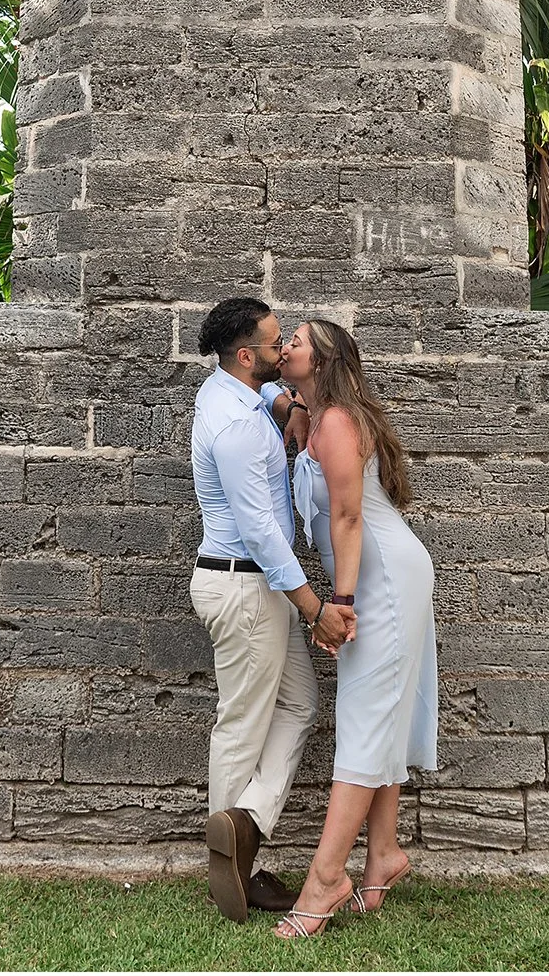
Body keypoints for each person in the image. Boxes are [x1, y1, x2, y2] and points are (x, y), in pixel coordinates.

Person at [190, 296, 357, 923]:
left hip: (259, 588)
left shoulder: (234, 394)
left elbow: (262, 399)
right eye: (272, 341)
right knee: (241, 725)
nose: (280, 348)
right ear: (245, 356)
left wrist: (288, 406)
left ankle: (245, 831)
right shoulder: (233, 427)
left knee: (299, 704)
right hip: (244, 586)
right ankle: (233, 869)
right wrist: (315, 608)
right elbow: (260, 531)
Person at [272, 318, 438, 940]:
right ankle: (385, 854)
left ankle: (325, 880)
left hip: (380, 580)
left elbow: (345, 517)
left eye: (297, 339)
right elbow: (275, 393)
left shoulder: (338, 422)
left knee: (365, 718)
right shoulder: (316, 414)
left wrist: (337, 604)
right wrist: (292, 409)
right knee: (378, 714)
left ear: (324, 360)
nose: (284, 345)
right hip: (372, 573)